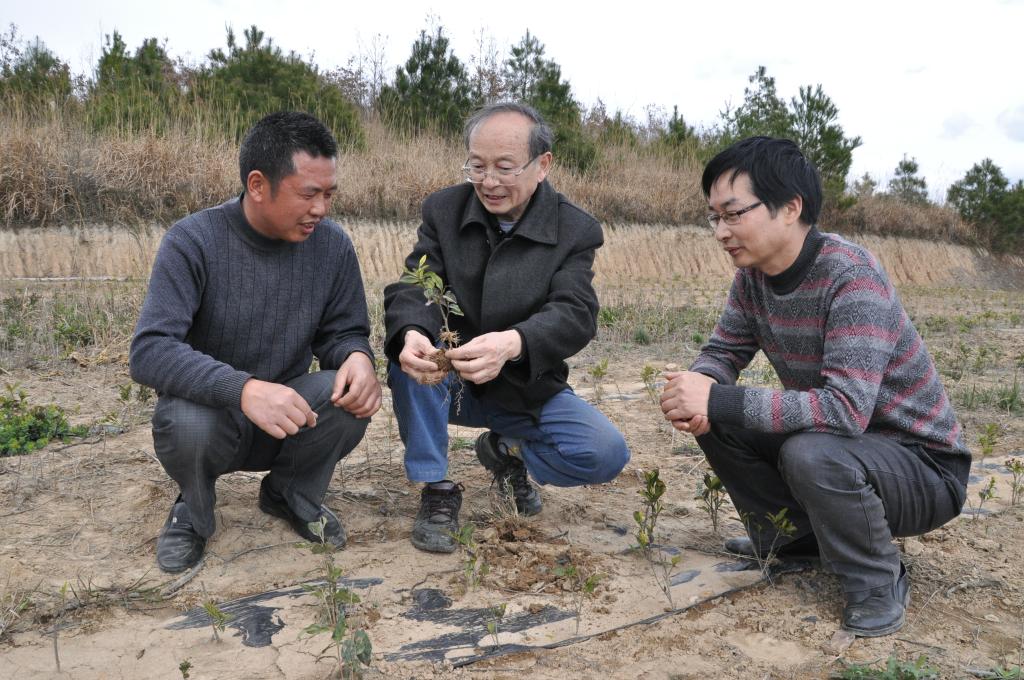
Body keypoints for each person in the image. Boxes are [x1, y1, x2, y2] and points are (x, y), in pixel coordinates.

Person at [660, 136, 970, 637]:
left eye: (734, 213)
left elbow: (846, 409)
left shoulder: (851, 277)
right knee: (723, 416)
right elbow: (723, 352)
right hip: (851, 447)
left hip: (923, 469)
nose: (721, 231)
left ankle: (877, 580)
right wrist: (700, 387)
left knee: (810, 451)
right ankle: (796, 540)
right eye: (713, 217)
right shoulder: (753, 278)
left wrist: (718, 397)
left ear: (790, 207)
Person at [130, 111, 381, 574]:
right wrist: (243, 389)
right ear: (258, 185)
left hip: (287, 417)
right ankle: (194, 511)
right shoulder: (193, 241)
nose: (321, 209)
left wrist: (358, 358)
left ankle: (290, 493)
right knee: (186, 420)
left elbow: (343, 332)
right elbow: (150, 350)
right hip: (213, 418)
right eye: (309, 194)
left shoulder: (332, 247)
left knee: (346, 395)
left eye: (329, 195)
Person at [383, 102, 630, 554]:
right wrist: (412, 332)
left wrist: (515, 343)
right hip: (449, 378)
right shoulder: (444, 209)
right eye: (476, 166)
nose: (488, 181)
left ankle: (506, 452)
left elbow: (575, 311)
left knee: (604, 452)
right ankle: (436, 488)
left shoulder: (575, 229)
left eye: (504, 167)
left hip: (522, 384)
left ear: (542, 166)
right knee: (411, 362)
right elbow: (414, 284)